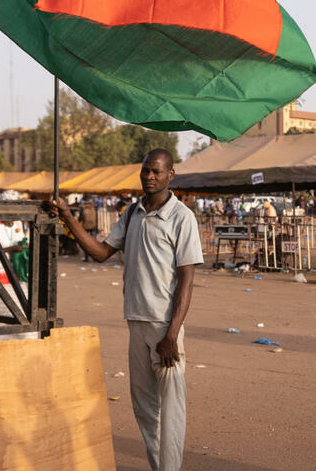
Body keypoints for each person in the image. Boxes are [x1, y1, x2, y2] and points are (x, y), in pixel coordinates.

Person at [47, 149, 202, 471]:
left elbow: (187, 280)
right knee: (145, 409)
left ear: (170, 175)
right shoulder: (132, 213)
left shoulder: (181, 217)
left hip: (163, 326)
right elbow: (102, 252)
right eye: (146, 171)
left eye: (157, 172)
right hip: (136, 320)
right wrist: (68, 217)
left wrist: (172, 335)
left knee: (171, 409)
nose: (149, 176)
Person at [0, 220, 37, 341]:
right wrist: (11, 249)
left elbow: (21, 240)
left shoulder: (18, 224)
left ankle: (26, 338)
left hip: (17, 272)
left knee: (23, 307)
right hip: (0, 272)